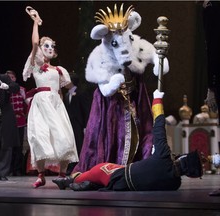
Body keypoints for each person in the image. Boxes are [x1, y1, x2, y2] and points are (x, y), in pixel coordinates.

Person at [52, 89, 204, 191]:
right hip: (124, 185)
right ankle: (85, 184)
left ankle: (70, 181)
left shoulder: (164, 157)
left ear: (182, 158)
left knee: (99, 169)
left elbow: (158, 128)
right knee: (105, 178)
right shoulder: (174, 184)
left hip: (120, 176)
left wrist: (157, 101)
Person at [22, 7, 78, 188]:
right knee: (40, 136)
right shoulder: (36, 65)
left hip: (55, 104)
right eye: (46, 46)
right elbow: (35, 43)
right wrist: (36, 22)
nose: (49, 48)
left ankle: (62, 174)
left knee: (64, 137)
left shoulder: (60, 70)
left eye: (52, 46)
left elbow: (65, 90)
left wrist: (66, 99)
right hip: (40, 103)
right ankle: (40, 175)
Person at [63, 72, 92, 175]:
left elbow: (86, 109)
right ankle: (70, 167)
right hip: (69, 125)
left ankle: (79, 167)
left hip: (78, 124)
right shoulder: (66, 95)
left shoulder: (81, 93)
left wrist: (86, 125)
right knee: (70, 146)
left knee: (79, 145)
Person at [6, 70, 27, 176]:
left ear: (15, 79)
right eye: (8, 78)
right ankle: (8, 169)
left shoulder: (21, 90)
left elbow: (26, 105)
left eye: (12, 77)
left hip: (20, 121)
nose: (11, 80)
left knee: (18, 146)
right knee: (10, 146)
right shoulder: (5, 91)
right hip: (9, 122)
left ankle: (17, 169)